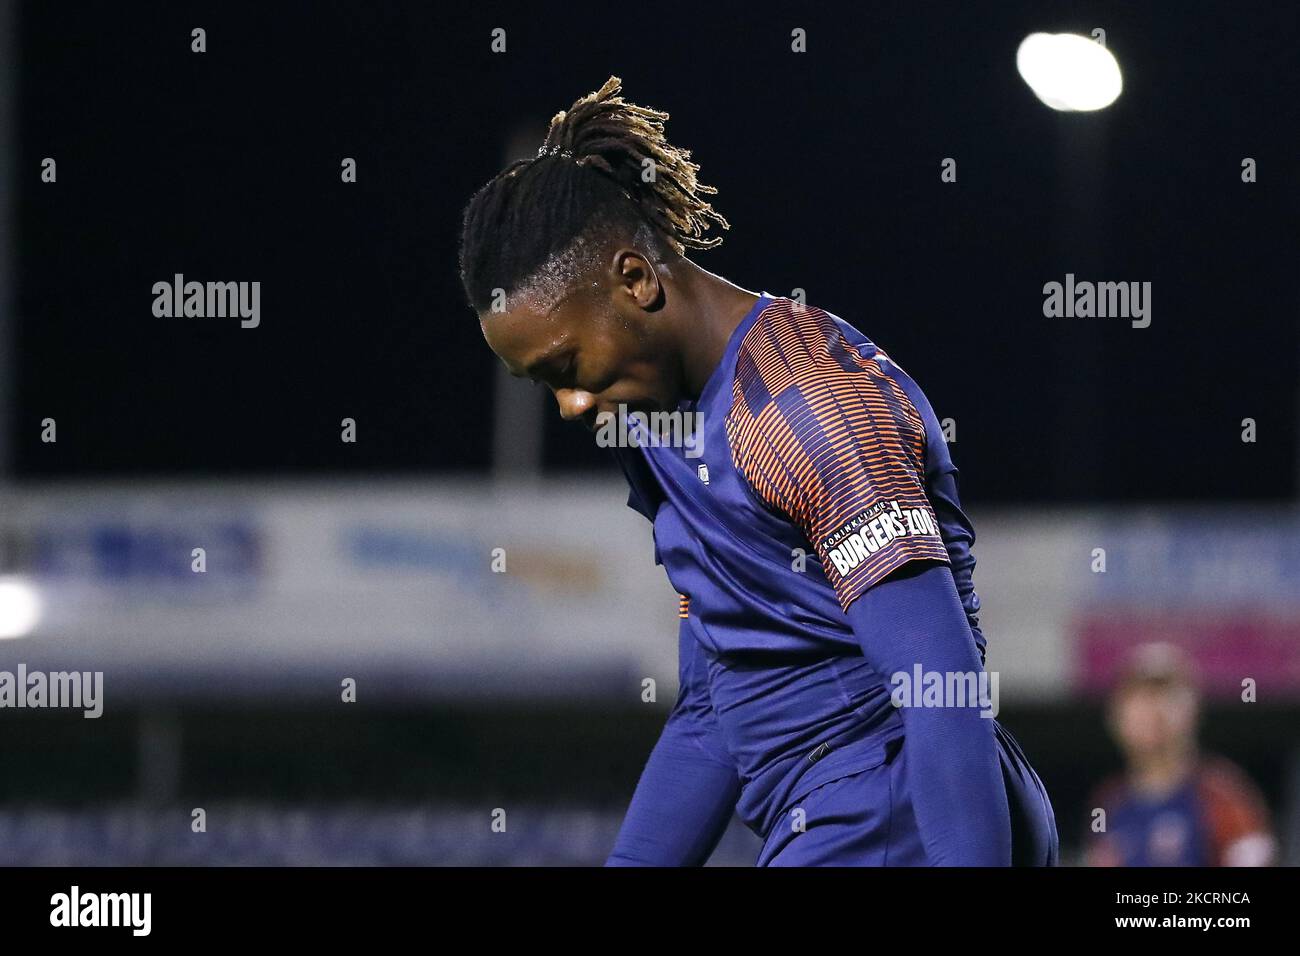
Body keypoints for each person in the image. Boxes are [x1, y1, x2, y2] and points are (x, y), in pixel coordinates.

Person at [458, 76, 1057, 866]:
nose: (568, 404)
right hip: (832, 815)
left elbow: (941, 688)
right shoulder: (655, 421)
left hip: (897, 808)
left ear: (635, 279)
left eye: (567, 365)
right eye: (543, 384)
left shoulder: (808, 406)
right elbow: (713, 706)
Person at [1086, 642, 1275, 867]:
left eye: (1164, 695)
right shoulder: (1109, 802)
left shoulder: (1223, 796)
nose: (1152, 710)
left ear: (1191, 709)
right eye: (1139, 698)